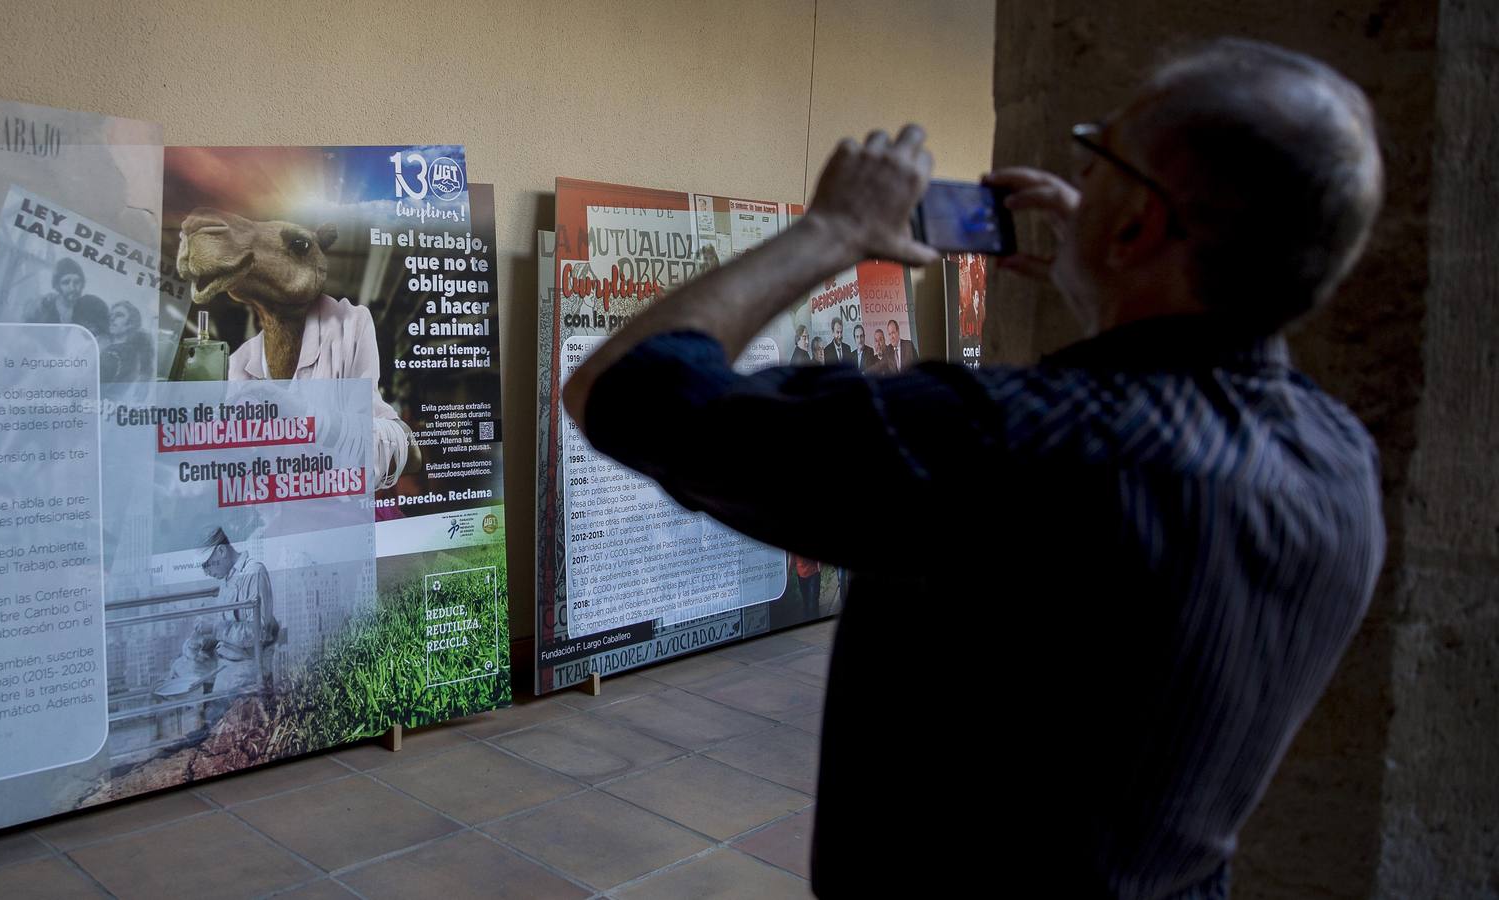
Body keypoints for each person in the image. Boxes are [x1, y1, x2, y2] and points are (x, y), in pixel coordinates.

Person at [561, 38, 1384, 899]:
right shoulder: (1338, 456)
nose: (1081, 173)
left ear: (1141, 223)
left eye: (1097, 153)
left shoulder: (1010, 443)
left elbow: (626, 389)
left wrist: (831, 232)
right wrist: (1106, 262)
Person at [156, 526, 282, 729]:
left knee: (215, 710)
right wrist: (203, 642)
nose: (206, 571)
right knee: (179, 669)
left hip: (246, 661)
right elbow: (224, 626)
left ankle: (201, 733)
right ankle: (174, 732)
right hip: (223, 656)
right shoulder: (227, 579)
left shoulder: (253, 573)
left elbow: (258, 633)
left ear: (222, 551)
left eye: (207, 564)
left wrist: (215, 629)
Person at [27, 257, 110, 337]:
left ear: (83, 284)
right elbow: (28, 333)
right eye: (66, 282)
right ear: (57, 286)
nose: (72, 288)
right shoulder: (44, 307)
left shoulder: (91, 307)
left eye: (77, 282)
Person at [99, 300, 154, 383]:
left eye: (119, 315)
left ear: (130, 324)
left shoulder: (116, 353)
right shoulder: (130, 351)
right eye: (111, 315)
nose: (112, 318)